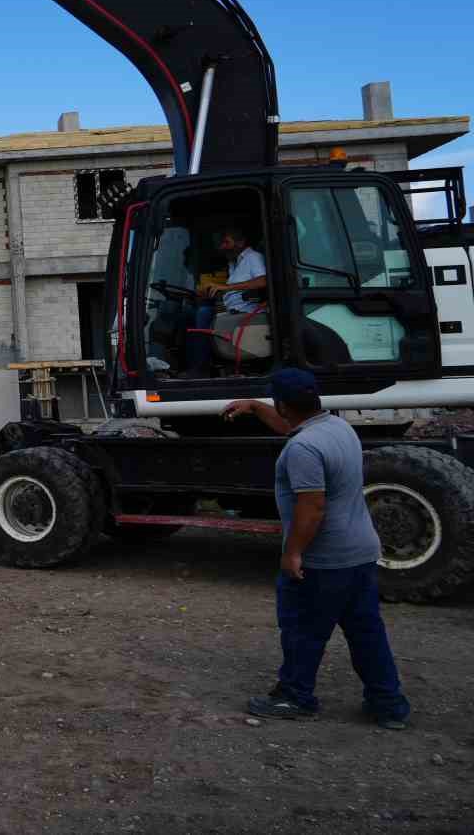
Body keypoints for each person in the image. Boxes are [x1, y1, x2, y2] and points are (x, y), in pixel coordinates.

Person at [223, 368, 410, 729]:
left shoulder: (303, 448)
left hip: (325, 560)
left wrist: (293, 553)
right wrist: (256, 407)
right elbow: (288, 425)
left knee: (302, 630)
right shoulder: (337, 428)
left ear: (284, 404)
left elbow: (312, 508)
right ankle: (389, 706)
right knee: (366, 632)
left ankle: (295, 696)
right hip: (361, 553)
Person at [185, 225, 267, 376]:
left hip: (247, 314)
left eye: (226, 242)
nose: (222, 247)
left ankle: (201, 368)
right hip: (231, 312)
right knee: (189, 314)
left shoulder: (253, 257)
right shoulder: (233, 264)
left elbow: (263, 281)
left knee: (203, 313)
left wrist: (224, 287)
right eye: (221, 243)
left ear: (241, 242)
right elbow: (233, 292)